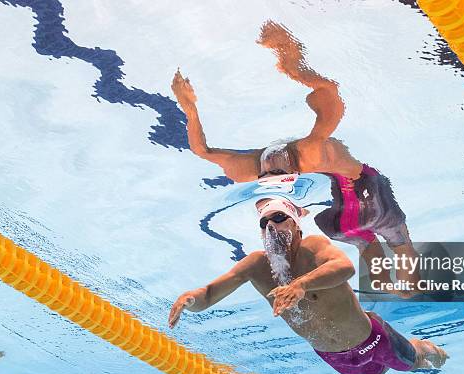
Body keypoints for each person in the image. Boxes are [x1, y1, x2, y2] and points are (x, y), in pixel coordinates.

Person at [171, 21, 420, 296]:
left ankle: (386, 285)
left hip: (340, 225)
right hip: (370, 197)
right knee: (400, 242)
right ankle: (407, 289)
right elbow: (330, 94)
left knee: (364, 242)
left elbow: (201, 150)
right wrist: (292, 62)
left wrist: (190, 109)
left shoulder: (249, 169)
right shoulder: (311, 152)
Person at [168, 197, 447, 374]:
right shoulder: (256, 265)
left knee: (414, 363)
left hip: (373, 341)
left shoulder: (312, 247)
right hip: (334, 357)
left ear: (296, 226)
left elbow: (345, 268)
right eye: (264, 223)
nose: (271, 226)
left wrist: (301, 284)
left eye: (278, 218)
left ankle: (425, 347)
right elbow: (208, 295)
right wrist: (189, 299)